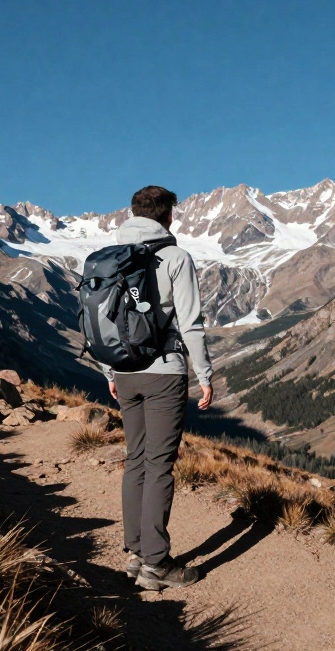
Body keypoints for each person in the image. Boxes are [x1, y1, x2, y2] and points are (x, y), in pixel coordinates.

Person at [103, 185, 214, 591]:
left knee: (135, 460)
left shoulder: (109, 257)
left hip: (124, 372)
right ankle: (157, 563)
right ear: (167, 217)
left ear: (133, 213)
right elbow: (191, 322)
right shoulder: (175, 257)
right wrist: (204, 374)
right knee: (159, 465)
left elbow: (101, 318)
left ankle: (135, 554)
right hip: (164, 373)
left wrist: (110, 372)